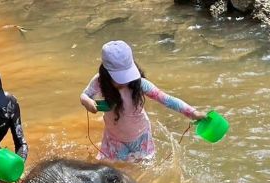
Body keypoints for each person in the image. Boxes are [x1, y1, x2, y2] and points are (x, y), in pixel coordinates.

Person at [79, 40, 208, 162]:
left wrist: (193, 113)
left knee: (143, 170)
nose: (125, 81)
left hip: (140, 138)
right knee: (115, 169)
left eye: (126, 76)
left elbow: (167, 99)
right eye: (119, 78)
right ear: (106, 74)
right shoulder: (99, 81)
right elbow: (84, 95)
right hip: (115, 139)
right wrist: (88, 102)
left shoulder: (139, 84)